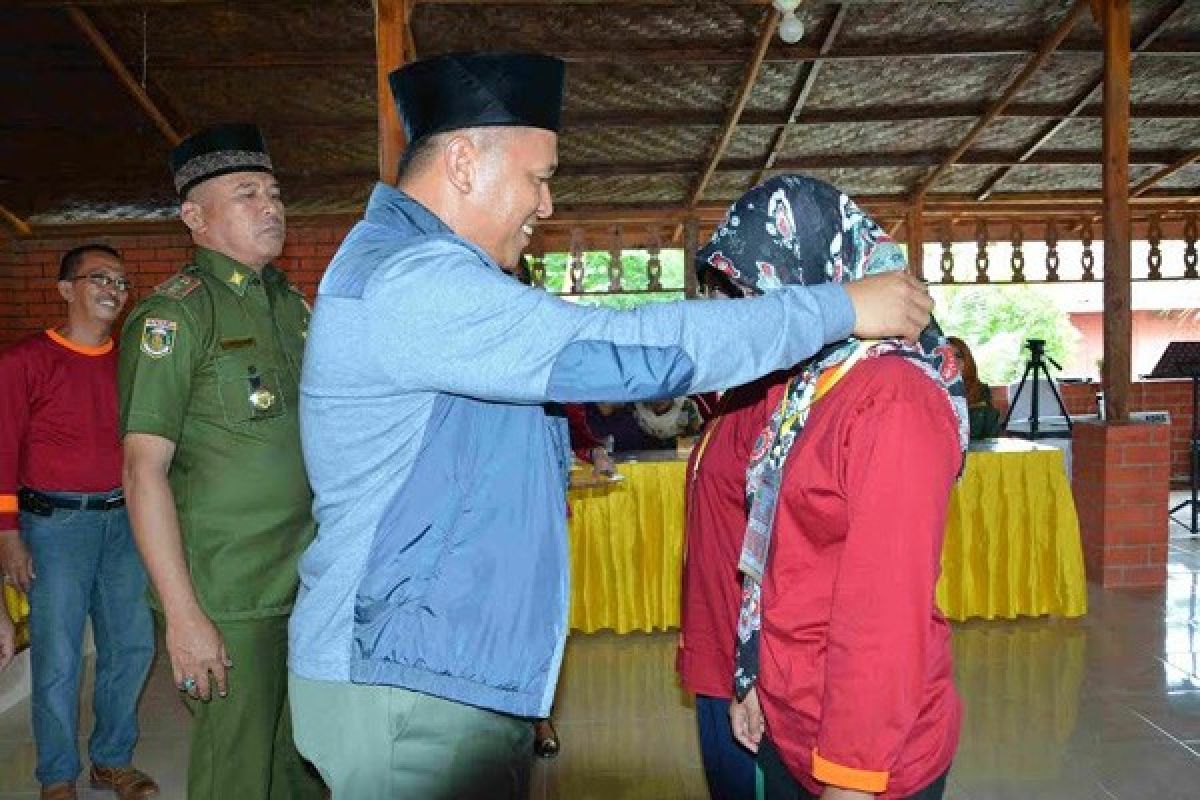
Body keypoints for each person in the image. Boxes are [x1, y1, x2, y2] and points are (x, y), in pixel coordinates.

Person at [287, 51, 934, 800]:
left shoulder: (414, 272)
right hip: (402, 676)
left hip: (424, 664)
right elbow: (626, 351)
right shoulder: (414, 282)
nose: (547, 206)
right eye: (539, 177)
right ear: (463, 162)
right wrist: (837, 306)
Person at [700, 176, 968, 800]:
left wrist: (851, 777)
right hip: (794, 717)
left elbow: (884, 615)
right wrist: (751, 678)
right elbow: (772, 561)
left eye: (756, 296)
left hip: (866, 757)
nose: (752, 319)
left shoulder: (892, 400)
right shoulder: (800, 388)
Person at [118, 125, 324, 800]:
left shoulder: (291, 307)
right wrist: (183, 616)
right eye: (246, 194)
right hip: (229, 593)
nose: (271, 207)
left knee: (301, 762)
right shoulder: (175, 317)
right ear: (195, 216)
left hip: (305, 578)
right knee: (238, 772)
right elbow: (142, 471)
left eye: (273, 192)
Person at [0, 244, 158, 800]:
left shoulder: (132, 363)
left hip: (124, 523)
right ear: (67, 289)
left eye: (120, 279)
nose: (114, 288)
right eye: (99, 278)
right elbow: (1, 450)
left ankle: (111, 760)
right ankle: (57, 775)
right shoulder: (24, 361)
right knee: (59, 656)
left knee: (132, 646)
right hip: (54, 529)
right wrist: (8, 534)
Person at [946, 336, 1002, 439]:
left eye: (958, 356)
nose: (953, 361)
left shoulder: (980, 391)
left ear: (966, 360)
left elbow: (990, 436)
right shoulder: (931, 390)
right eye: (947, 356)